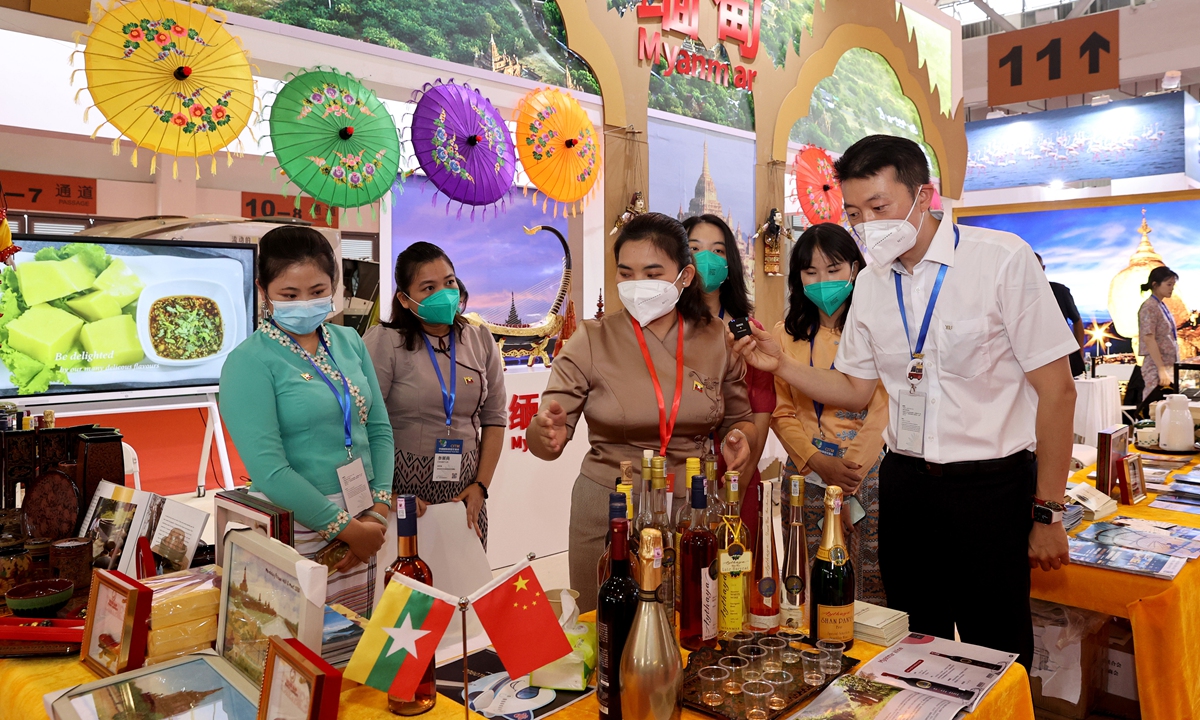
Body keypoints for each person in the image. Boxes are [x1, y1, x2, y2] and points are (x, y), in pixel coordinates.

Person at [730, 135, 1078, 668]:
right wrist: (785, 368)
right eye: (854, 212)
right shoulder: (869, 283)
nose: (867, 224)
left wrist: (1048, 510)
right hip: (907, 487)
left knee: (997, 646)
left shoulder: (1000, 260)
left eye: (879, 206)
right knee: (915, 644)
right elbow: (854, 388)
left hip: (990, 487)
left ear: (924, 195)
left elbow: (1058, 390)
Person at [527, 212, 758, 612]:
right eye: (626, 273)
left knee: (691, 623)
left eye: (652, 273)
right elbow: (546, 434)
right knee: (606, 629)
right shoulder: (592, 339)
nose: (638, 286)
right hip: (610, 505)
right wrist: (544, 432)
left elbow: (741, 419)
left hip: (693, 506)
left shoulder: (716, 337)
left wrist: (742, 438)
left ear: (684, 277)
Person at [220, 226, 395, 616]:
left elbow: (379, 428)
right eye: (289, 294)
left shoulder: (348, 341)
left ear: (333, 284)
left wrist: (377, 511)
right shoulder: (249, 361)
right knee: (302, 646)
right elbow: (269, 470)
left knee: (357, 639)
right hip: (300, 523)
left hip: (367, 517)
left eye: (317, 292)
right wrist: (347, 531)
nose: (305, 303)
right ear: (264, 291)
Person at [770, 223, 888, 605]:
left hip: (866, 476)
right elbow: (781, 410)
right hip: (806, 473)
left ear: (854, 269)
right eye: (811, 272)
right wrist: (817, 460)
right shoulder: (783, 335)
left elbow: (883, 406)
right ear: (798, 278)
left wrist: (851, 469)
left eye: (833, 269)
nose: (823, 280)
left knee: (870, 579)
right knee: (803, 578)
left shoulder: (878, 329)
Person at [363, 242, 506, 549]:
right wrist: (382, 495)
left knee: (463, 585)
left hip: (466, 493)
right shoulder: (386, 342)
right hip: (403, 491)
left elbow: (494, 418)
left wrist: (481, 485)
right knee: (407, 591)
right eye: (428, 287)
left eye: (449, 282)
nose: (443, 293)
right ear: (404, 298)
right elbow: (362, 423)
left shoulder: (478, 338)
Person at [683, 213, 776, 548]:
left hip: (735, 470)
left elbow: (761, 412)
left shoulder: (749, 332)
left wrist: (737, 484)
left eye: (718, 251)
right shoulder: (668, 330)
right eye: (695, 248)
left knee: (734, 580)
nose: (707, 258)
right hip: (680, 473)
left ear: (731, 263)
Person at [1035, 253, 1087, 377]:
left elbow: (1077, 320)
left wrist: (1079, 351)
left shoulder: (1059, 291)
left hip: (1061, 353)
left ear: (1043, 269)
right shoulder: (1015, 294)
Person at [1138, 265, 1180, 403]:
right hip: (1156, 365)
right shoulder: (1149, 307)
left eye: (1173, 285)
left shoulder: (1160, 305)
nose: (1171, 288)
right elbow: (1149, 338)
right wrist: (1161, 369)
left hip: (1169, 364)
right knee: (1155, 405)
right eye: (1168, 284)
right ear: (1155, 284)